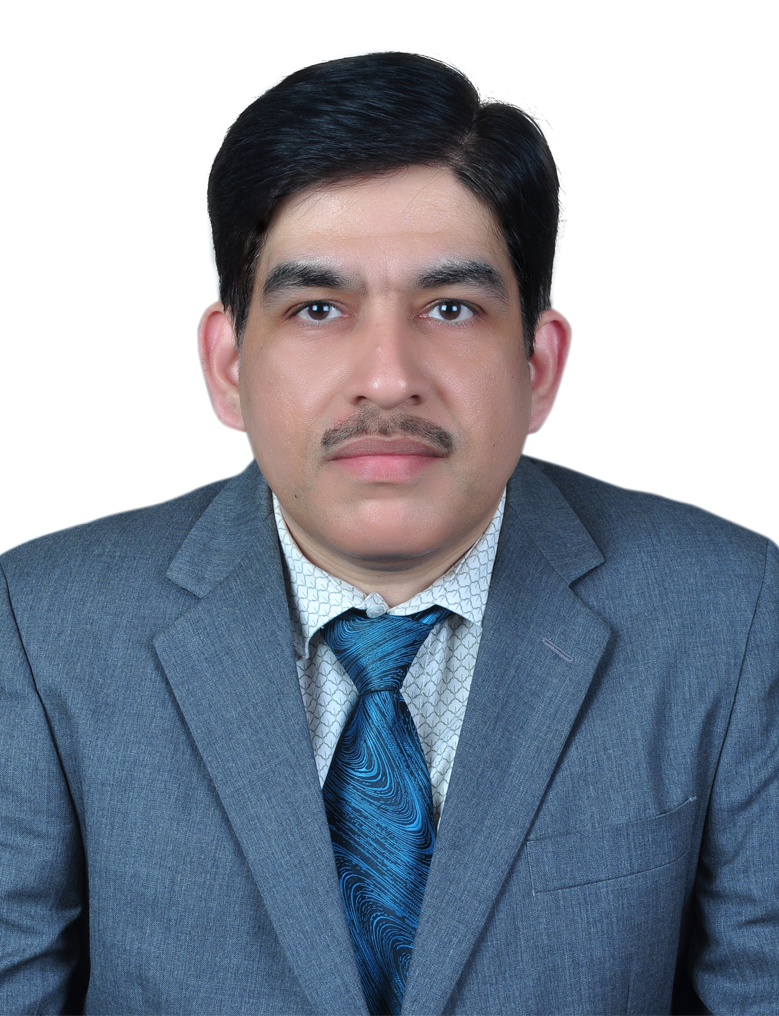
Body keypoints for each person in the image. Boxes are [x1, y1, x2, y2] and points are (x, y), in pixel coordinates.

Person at [0, 51, 777, 1016]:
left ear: (536, 365)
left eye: (449, 308)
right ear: (229, 365)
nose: (387, 377)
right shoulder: (40, 627)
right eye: (317, 308)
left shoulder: (733, 616)